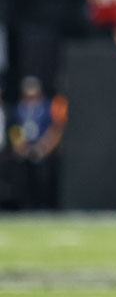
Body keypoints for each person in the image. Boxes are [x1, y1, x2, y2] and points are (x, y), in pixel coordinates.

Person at [12, 76, 65, 209]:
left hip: (43, 147)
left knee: (44, 178)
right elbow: (15, 127)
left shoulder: (47, 107)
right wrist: (20, 146)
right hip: (25, 147)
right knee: (24, 178)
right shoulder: (20, 108)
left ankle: (45, 206)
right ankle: (26, 206)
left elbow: (54, 127)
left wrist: (44, 146)